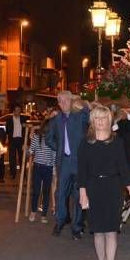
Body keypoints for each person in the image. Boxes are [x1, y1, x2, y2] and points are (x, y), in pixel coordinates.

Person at [77, 106, 130, 260]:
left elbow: (124, 169)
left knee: (111, 232)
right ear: (92, 121)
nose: (101, 122)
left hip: (113, 188)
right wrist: (83, 193)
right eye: (97, 118)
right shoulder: (85, 143)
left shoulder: (117, 142)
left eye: (104, 118)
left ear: (109, 121)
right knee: (97, 232)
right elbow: (82, 171)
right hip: (93, 187)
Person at [46, 91, 90, 239]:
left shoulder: (80, 116)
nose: (63, 103)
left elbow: (89, 114)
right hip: (64, 162)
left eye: (66, 100)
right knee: (60, 194)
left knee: (78, 195)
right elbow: (48, 138)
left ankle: (76, 228)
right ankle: (60, 221)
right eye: (60, 101)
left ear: (71, 101)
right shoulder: (56, 120)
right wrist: (59, 148)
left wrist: (80, 103)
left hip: (79, 162)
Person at [28, 118, 56, 224]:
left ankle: (44, 214)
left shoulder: (52, 139)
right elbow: (32, 149)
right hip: (38, 167)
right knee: (36, 191)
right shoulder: (37, 137)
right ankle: (33, 211)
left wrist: (53, 167)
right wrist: (27, 151)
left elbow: (54, 154)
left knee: (46, 192)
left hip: (48, 168)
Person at [5, 104, 28, 179]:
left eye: (19, 110)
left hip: (21, 140)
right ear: (14, 111)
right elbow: (7, 130)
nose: (18, 112)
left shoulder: (23, 118)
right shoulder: (9, 120)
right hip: (12, 140)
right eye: (17, 110)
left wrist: (25, 126)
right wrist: (7, 139)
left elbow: (27, 129)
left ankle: (23, 173)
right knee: (12, 157)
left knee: (22, 157)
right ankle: (13, 173)